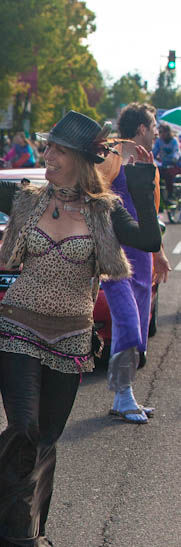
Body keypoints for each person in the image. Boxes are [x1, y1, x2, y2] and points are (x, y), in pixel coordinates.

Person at [0, 75, 161, 547]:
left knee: (45, 438)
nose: (51, 158)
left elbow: (147, 239)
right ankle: (13, 535)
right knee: (24, 427)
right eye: (49, 148)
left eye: (60, 152)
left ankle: (28, 532)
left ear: (83, 160)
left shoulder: (104, 213)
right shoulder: (27, 199)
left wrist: (143, 181)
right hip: (17, 328)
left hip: (72, 337)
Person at [99, 103, 172, 423]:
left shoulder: (148, 161)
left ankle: (123, 396)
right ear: (141, 128)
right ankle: (123, 394)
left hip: (142, 256)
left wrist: (159, 254)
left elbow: (151, 211)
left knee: (140, 327)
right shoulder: (111, 155)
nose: (157, 131)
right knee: (127, 323)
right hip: (114, 253)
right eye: (153, 125)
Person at [153, 124, 181, 199]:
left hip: (174, 165)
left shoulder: (174, 141)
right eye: (159, 132)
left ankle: (170, 196)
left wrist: (172, 159)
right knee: (155, 174)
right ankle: (158, 197)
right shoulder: (159, 141)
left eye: (162, 132)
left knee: (169, 174)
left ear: (167, 132)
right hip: (163, 166)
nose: (160, 134)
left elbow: (176, 154)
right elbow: (154, 153)